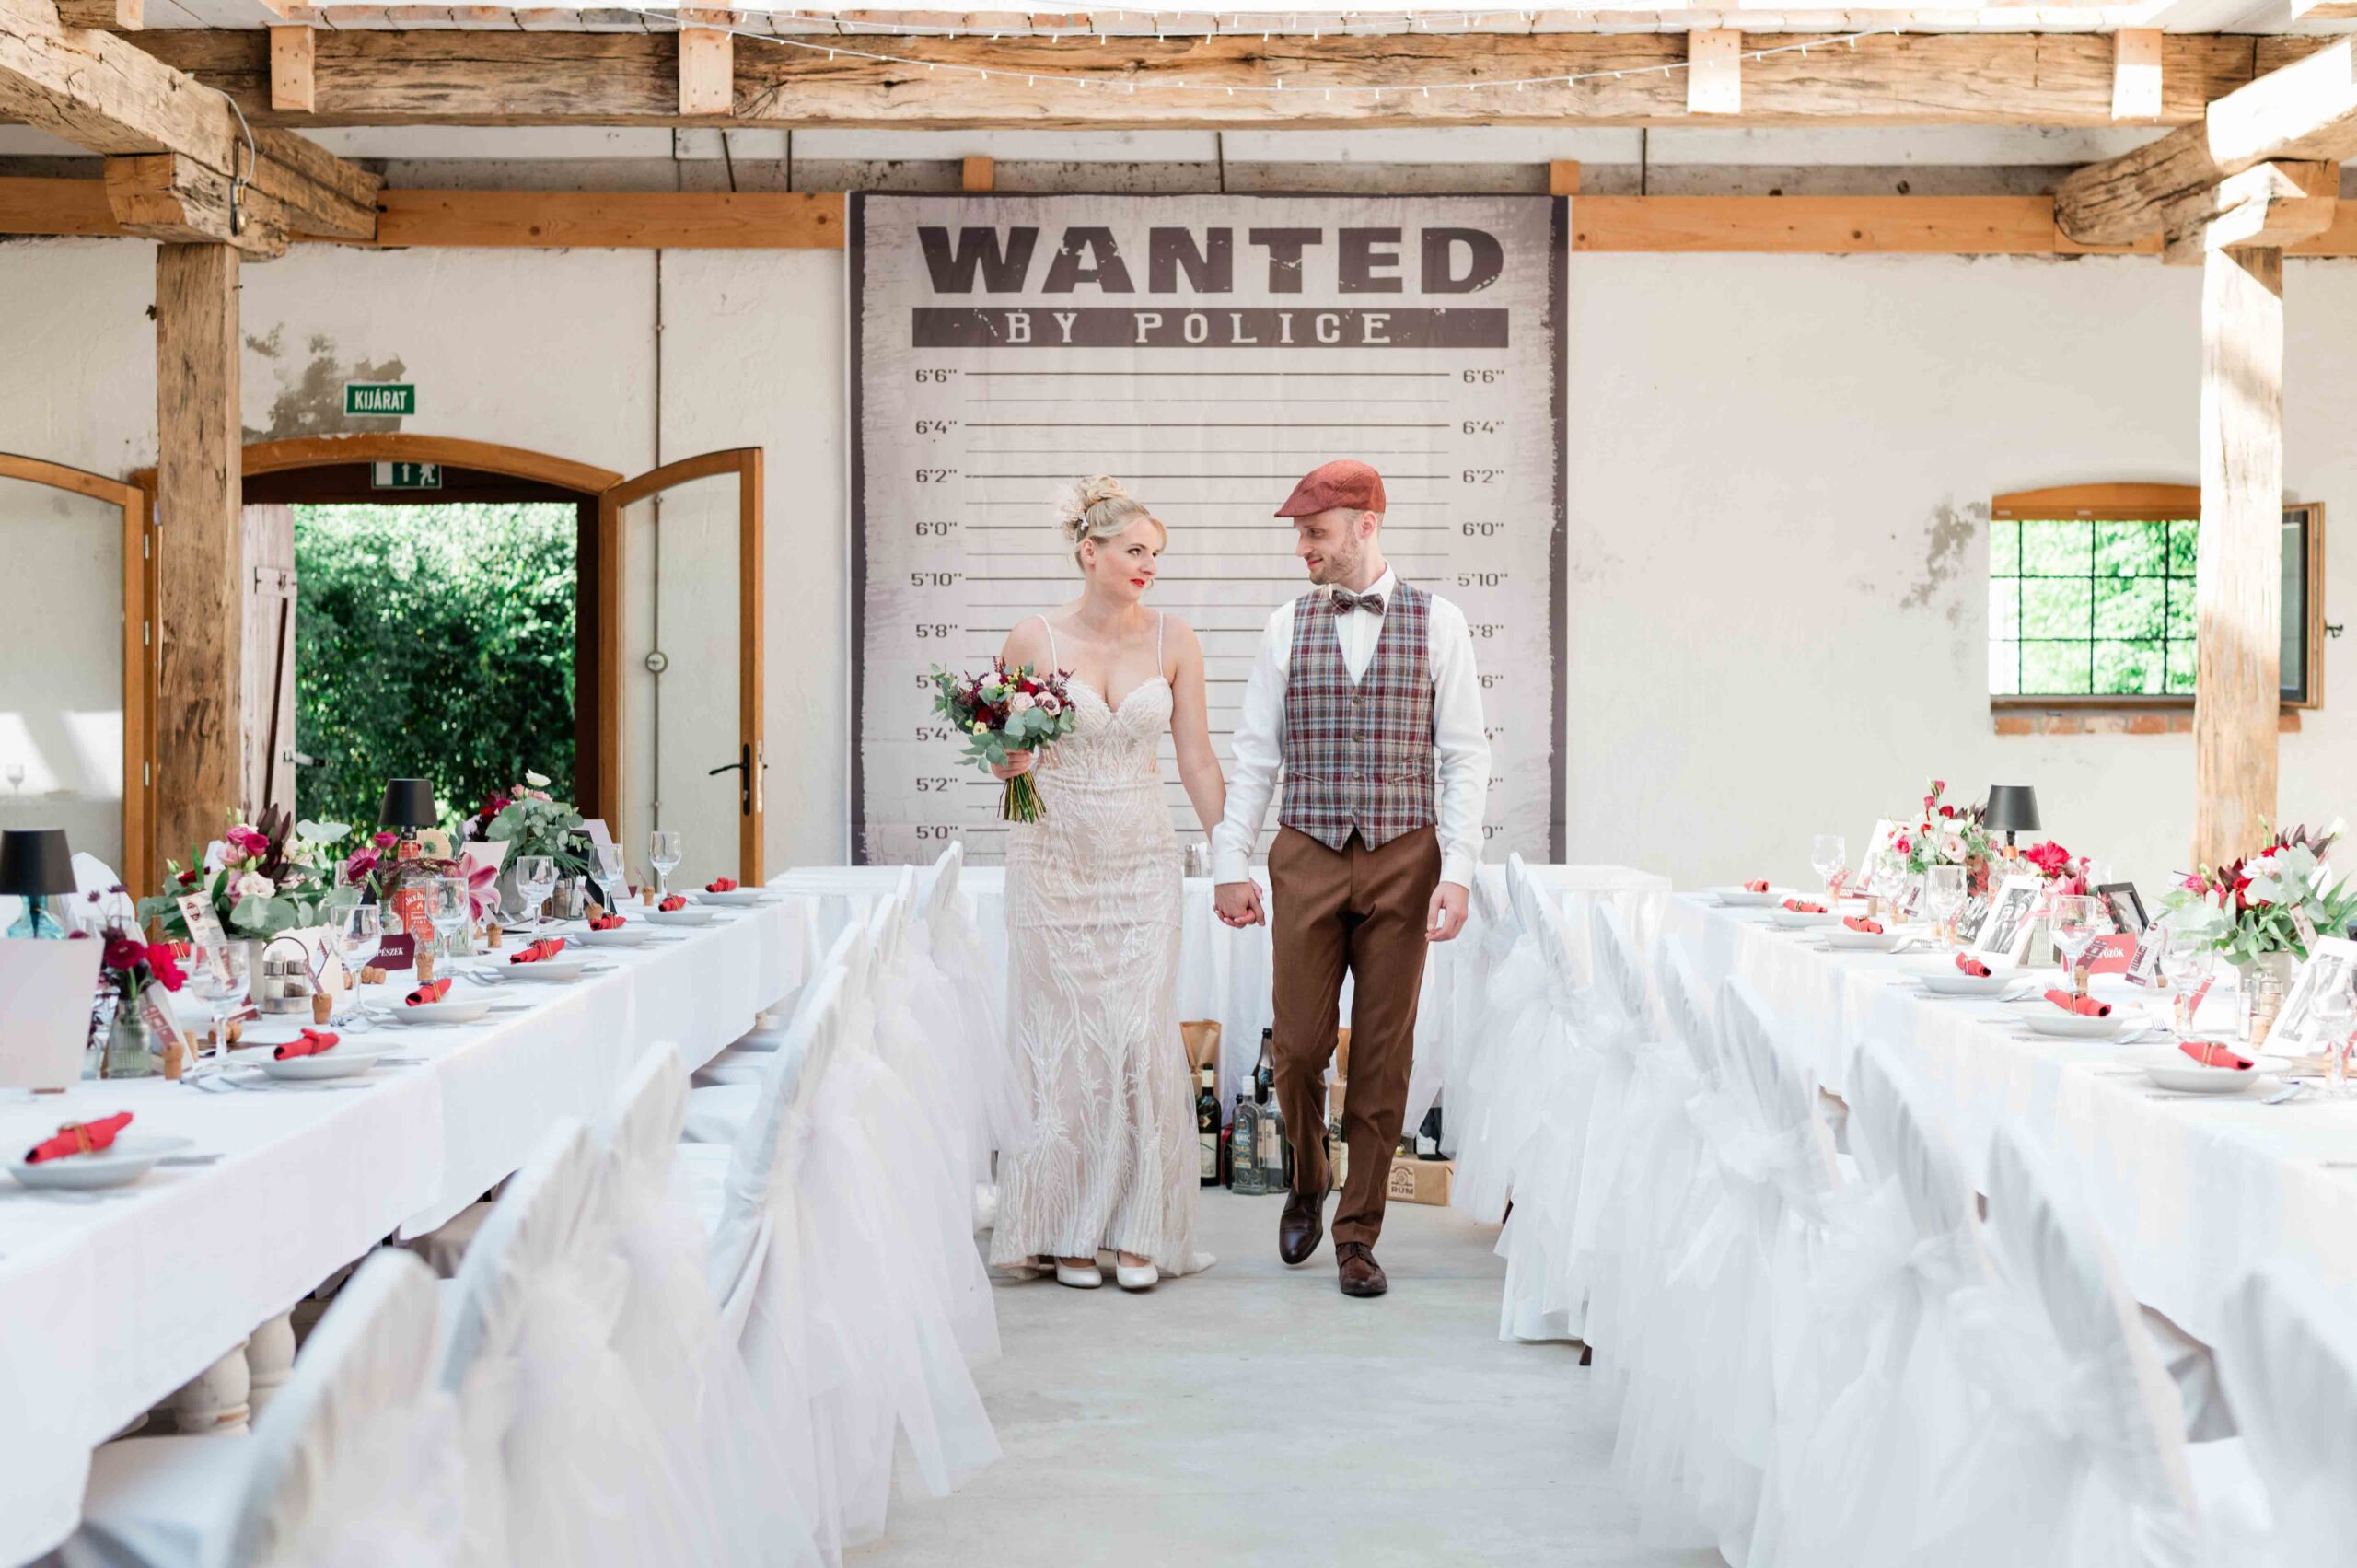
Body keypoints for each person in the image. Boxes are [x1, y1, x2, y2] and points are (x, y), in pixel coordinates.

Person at [1211, 459, 1491, 1299]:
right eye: (1301, 533)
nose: (1303, 547)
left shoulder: (1440, 622)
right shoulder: (1284, 626)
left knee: (1381, 1053)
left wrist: (1459, 870)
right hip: (1307, 850)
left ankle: (1358, 1233)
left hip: (1407, 855)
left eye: (1315, 532)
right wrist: (1230, 860)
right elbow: (1255, 757)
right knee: (1298, 1048)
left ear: (1366, 525)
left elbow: (1464, 756)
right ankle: (1307, 1173)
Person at [984, 477, 1227, 1292]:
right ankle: (1065, 1231)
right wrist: (1008, 762)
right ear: (1089, 553)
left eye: (1156, 553)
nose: (1148, 565)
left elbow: (1197, 758)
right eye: (1134, 550)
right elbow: (1006, 762)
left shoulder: (1175, 640)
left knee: (1138, 1038)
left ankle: (1138, 1228)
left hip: (1142, 866)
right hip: (1053, 862)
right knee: (1064, 1046)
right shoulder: (1034, 638)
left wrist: (1231, 854)